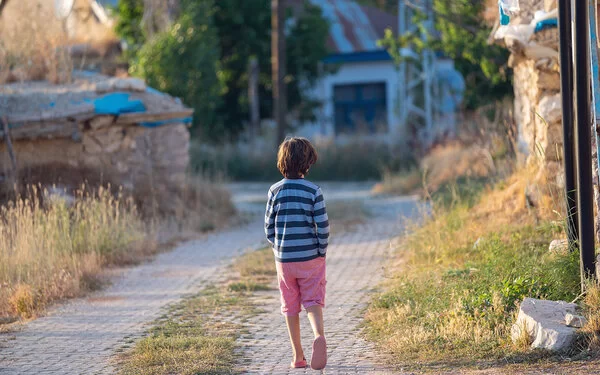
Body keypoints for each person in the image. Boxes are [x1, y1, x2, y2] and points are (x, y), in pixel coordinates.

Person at [265, 137, 330, 370]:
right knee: (312, 300)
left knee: (290, 306)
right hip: (310, 257)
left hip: (285, 260)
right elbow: (322, 226)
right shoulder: (313, 191)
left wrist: (278, 248)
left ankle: (298, 356)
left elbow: (268, 228)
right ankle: (318, 334)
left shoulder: (274, 190)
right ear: (308, 162)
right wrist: (321, 250)